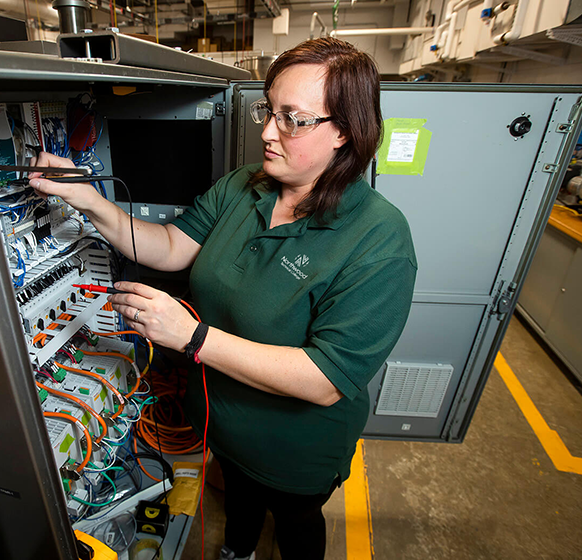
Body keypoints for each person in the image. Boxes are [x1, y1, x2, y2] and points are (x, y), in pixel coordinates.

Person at [29, 37, 416, 560]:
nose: (267, 131)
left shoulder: (379, 239)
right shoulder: (244, 186)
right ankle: (237, 550)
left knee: (297, 521)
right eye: (269, 110)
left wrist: (192, 338)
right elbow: (169, 247)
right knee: (239, 504)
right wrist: (88, 199)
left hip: (294, 449)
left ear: (345, 131)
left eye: (292, 119)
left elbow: (326, 380)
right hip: (220, 421)